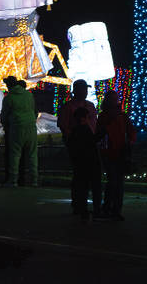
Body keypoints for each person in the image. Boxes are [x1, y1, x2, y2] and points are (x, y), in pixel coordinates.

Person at [58, 80, 97, 209]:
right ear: (76, 91)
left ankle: (82, 202)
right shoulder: (68, 107)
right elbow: (63, 125)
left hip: (89, 143)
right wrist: (71, 138)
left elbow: (94, 124)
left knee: (87, 174)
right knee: (79, 173)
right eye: (83, 89)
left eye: (86, 89)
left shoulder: (90, 106)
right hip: (76, 144)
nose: (85, 92)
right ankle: (78, 202)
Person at [96, 89, 135, 220]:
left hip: (120, 152)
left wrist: (130, 141)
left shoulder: (122, 116)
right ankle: (109, 207)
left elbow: (131, 130)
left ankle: (115, 209)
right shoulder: (104, 116)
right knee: (113, 181)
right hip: (108, 152)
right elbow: (100, 131)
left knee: (118, 182)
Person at [1, 78, 38, 188]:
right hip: (31, 127)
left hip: (16, 128)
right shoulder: (29, 95)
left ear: (9, 85)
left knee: (15, 154)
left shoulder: (9, 98)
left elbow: (4, 115)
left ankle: (13, 180)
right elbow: (34, 110)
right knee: (32, 154)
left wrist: (5, 125)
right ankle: (34, 180)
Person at [67, 107, 102, 219]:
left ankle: (80, 208)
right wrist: (101, 134)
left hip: (80, 162)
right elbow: (91, 141)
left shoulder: (75, 131)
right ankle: (93, 209)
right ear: (84, 118)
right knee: (93, 186)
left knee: (82, 186)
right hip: (89, 161)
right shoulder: (84, 129)